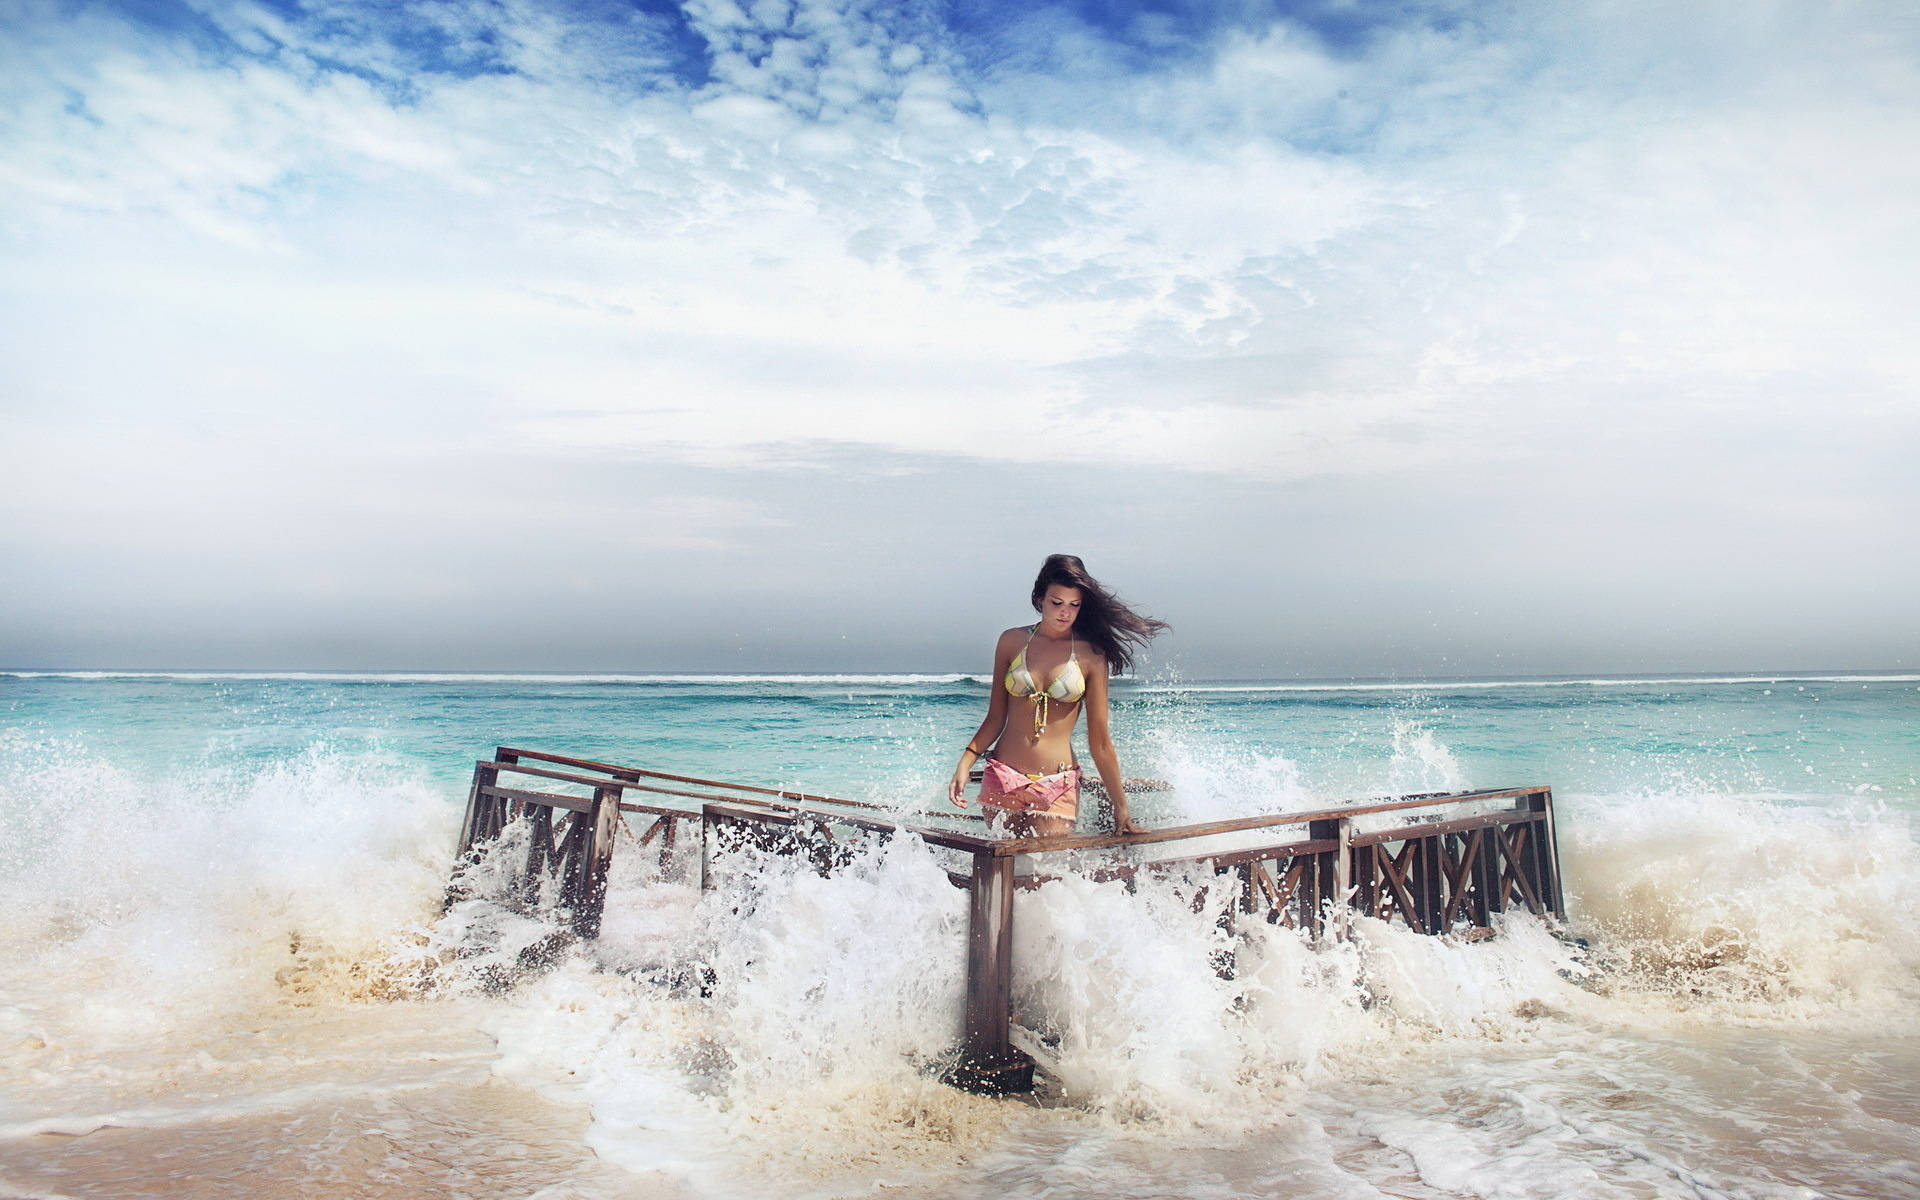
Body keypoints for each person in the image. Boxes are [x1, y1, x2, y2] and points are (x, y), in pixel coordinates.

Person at [948, 554, 1168, 837]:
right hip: (1003, 776)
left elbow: (1100, 742)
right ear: (1040, 599)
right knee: (1002, 874)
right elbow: (995, 717)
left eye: (1074, 605)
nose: (1065, 612)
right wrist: (965, 764)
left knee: (1047, 876)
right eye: (1057, 603)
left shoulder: (1092, 657)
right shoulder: (1011, 641)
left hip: (1056, 785)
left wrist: (1121, 808)